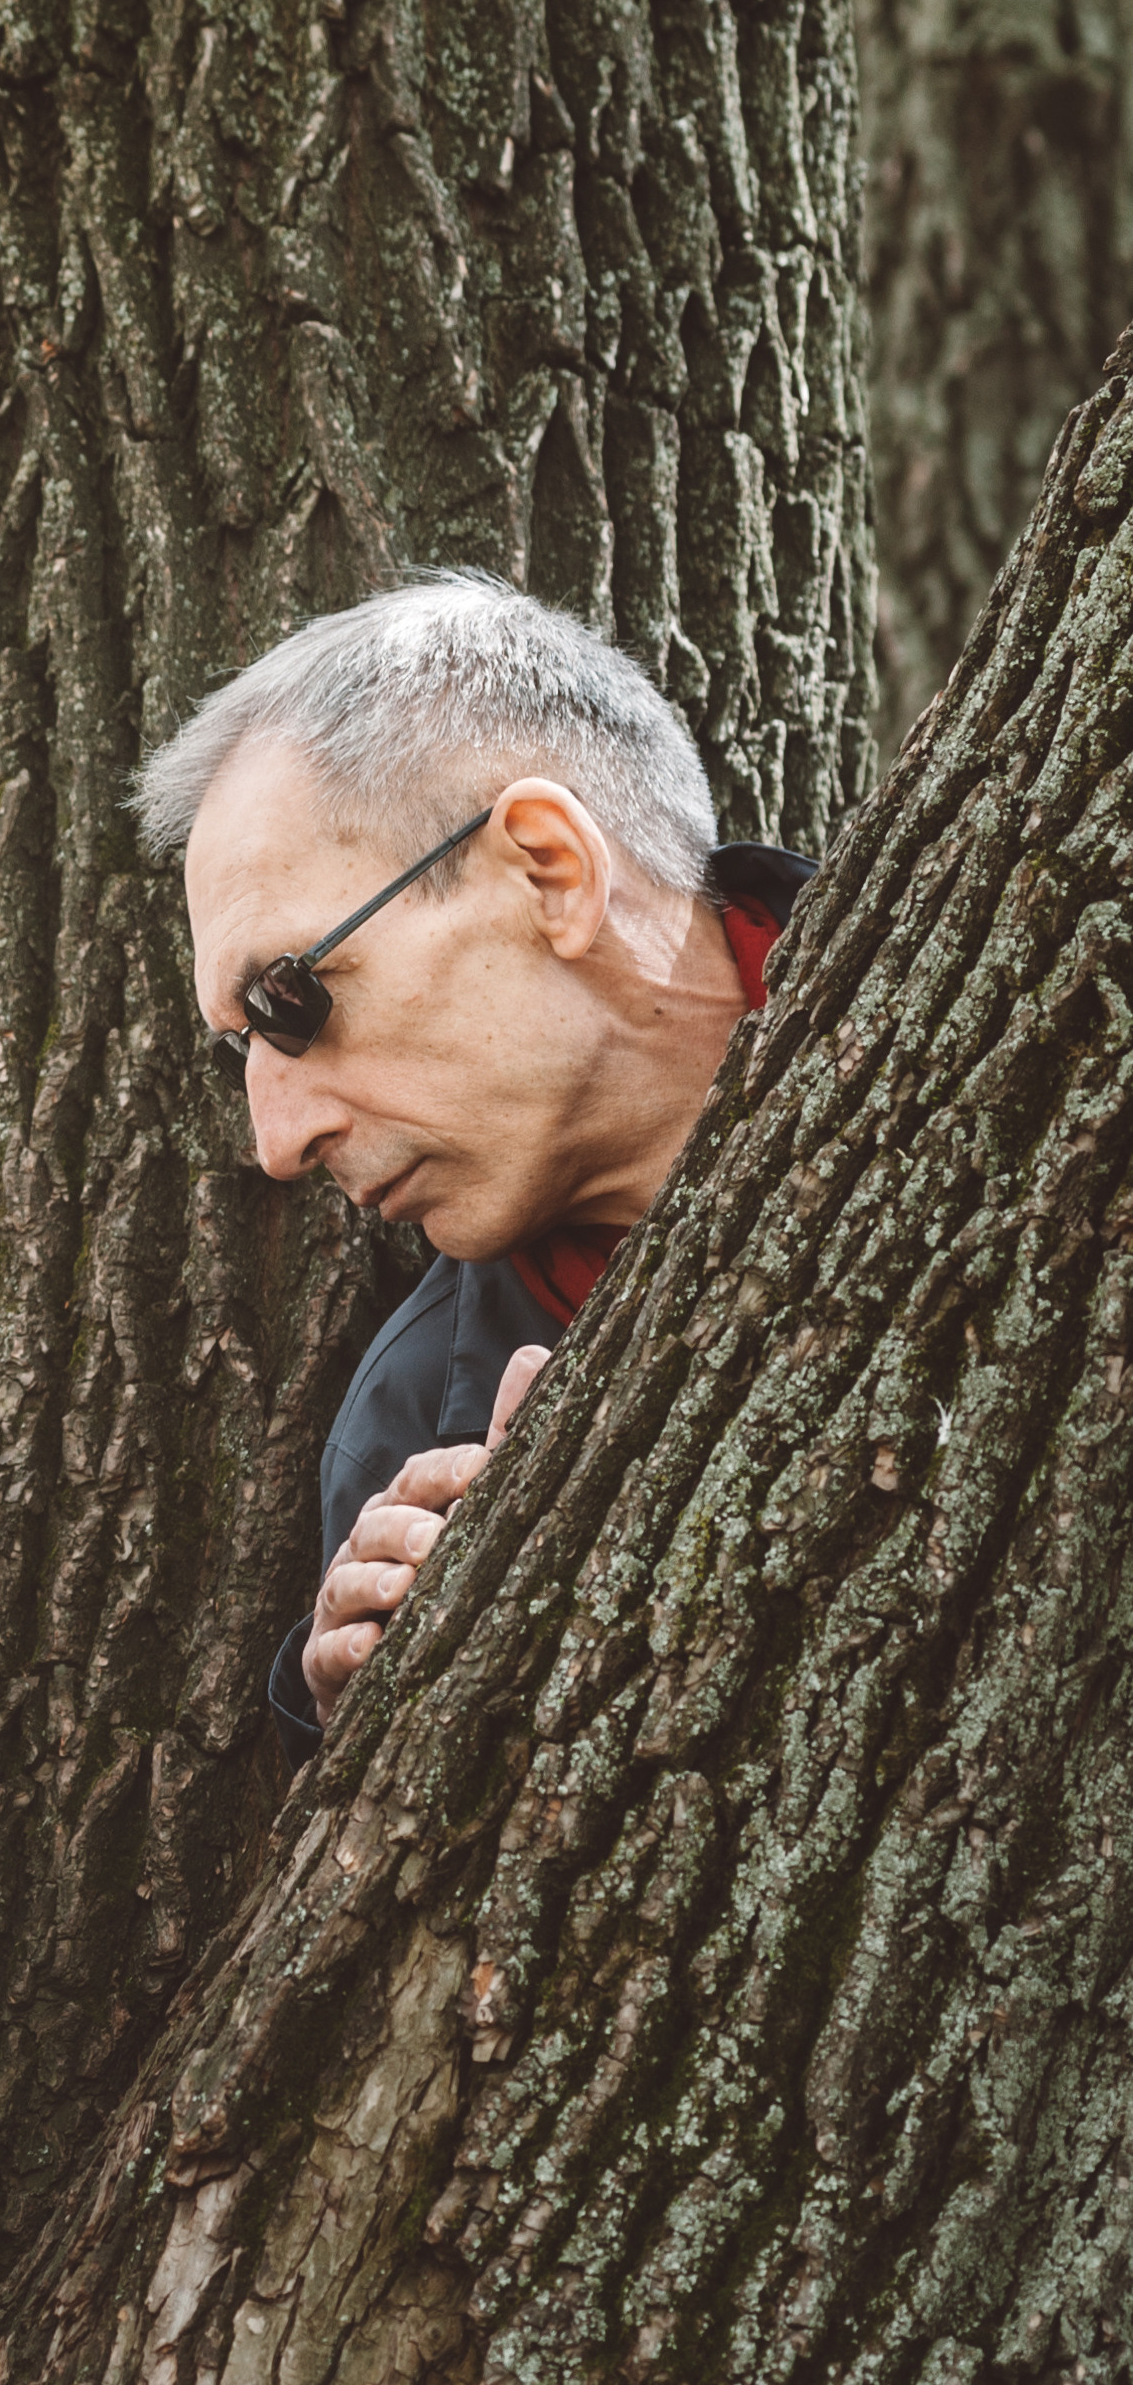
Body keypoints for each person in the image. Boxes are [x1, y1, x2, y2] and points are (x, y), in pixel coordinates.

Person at [136, 572, 815, 1761]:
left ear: (549, 872)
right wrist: (370, 1738)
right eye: (237, 1055)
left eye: (291, 1000)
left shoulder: (1047, 986)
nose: (276, 1143)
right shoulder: (404, 1444)